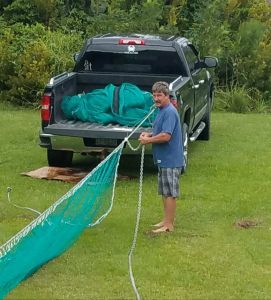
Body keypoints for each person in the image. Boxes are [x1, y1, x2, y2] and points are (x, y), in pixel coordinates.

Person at [139, 81, 184, 233]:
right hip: (163, 159)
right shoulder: (161, 110)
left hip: (171, 159)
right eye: (154, 95)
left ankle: (169, 226)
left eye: (160, 95)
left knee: (170, 193)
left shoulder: (170, 112)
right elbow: (160, 130)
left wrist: (148, 140)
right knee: (164, 192)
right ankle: (165, 220)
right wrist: (149, 134)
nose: (156, 98)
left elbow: (166, 136)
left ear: (167, 96)